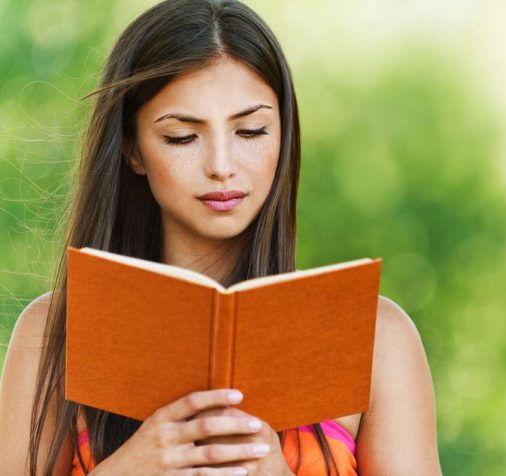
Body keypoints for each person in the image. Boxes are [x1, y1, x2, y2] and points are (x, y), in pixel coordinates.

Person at [0, 0, 441, 474]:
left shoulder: (375, 337)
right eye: (182, 137)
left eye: (250, 131)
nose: (222, 166)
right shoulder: (54, 333)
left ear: (284, 134)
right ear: (132, 149)